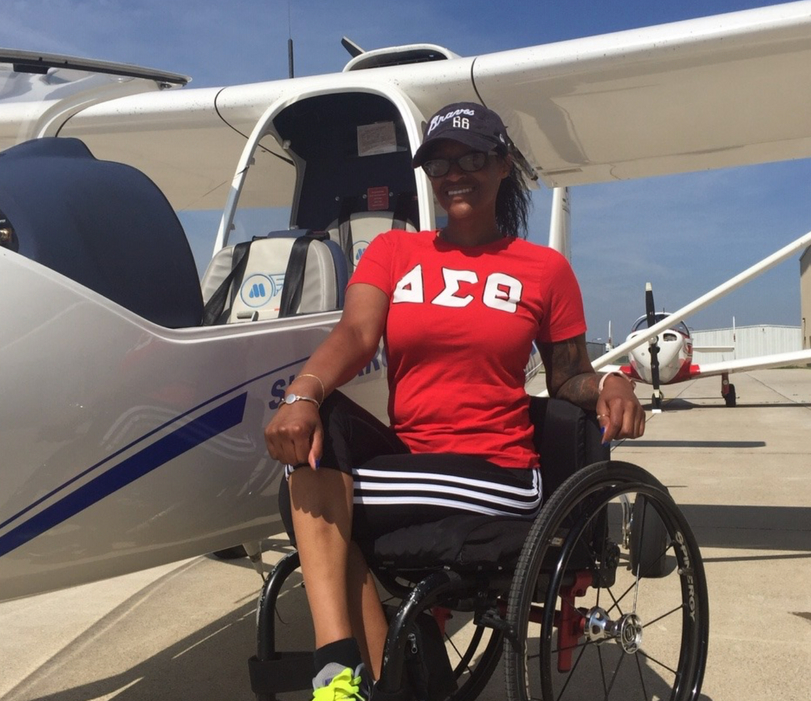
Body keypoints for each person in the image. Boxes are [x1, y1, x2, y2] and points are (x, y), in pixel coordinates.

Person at [264, 101, 645, 701]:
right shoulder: (393, 253)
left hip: (498, 475)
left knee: (310, 494)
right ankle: (350, 673)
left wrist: (613, 381)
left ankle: (345, 677)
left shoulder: (544, 270)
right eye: (439, 164)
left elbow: (569, 375)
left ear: (502, 167)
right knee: (317, 445)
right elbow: (356, 334)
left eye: (472, 158)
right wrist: (303, 393)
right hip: (414, 463)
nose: (455, 173)